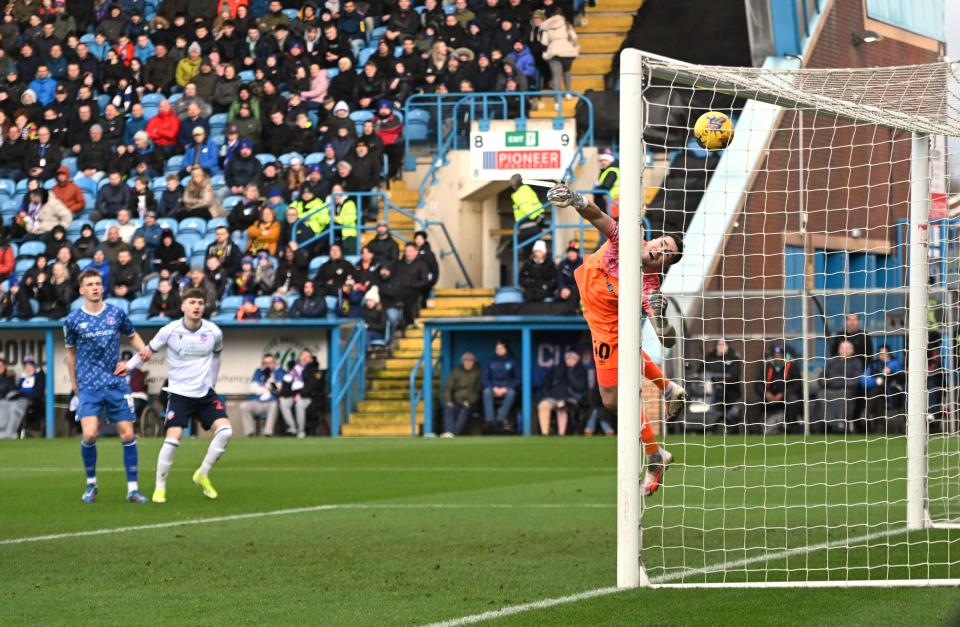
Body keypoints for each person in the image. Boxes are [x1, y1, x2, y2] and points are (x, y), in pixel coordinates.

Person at [547, 183, 686, 496]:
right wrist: (574, 199)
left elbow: (667, 341)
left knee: (612, 401)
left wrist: (661, 321)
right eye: (662, 243)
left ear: (663, 266)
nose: (661, 250)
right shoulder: (628, 240)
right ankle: (669, 391)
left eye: (667, 254)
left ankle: (655, 453)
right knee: (624, 375)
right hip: (596, 299)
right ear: (652, 239)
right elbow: (597, 215)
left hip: (607, 328)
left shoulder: (649, 287)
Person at [119, 289, 232, 503]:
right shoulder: (169, 330)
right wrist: (129, 366)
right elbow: (147, 352)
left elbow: (217, 357)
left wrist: (212, 383)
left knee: (225, 432)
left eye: (200, 302)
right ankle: (159, 488)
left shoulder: (214, 332)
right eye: (192, 302)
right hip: (179, 395)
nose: (197, 306)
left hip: (204, 394)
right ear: (183, 306)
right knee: (172, 441)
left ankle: (202, 474)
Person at [64, 269, 150, 504]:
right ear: (81, 290)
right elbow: (70, 355)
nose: (94, 287)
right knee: (90, 434)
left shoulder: (116, 313)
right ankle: (91, 484)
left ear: (102, 288)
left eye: (97, 283)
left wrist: (139, 355)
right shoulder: (72, 320)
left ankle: (133, 489)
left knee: (129, 434)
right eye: (89, 284)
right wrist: (75, 387)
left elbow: (133, 336)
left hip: (115, 383)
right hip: (89, 385)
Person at [537, 349, 588, 436]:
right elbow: (546, 383)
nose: (569, 360)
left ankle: (561, 434)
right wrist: (547, 394)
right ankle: (544, 433)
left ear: (577, 359)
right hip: (553, 397)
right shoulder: (558, 368)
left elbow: (580, 387)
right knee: (543, 405)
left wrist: (570, 372)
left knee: (562, 406)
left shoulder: (581, 371)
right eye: (568, 358)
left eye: (572, 358)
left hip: (571, 398)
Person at [756, 342, 803, 434]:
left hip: (786, 397)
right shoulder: (767, 367)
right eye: (775, 355)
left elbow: (797, 385)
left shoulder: (792, 367)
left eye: (779, 354)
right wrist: (766, 394)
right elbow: (757, 385)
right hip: (769, 399)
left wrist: (783, 394)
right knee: (752, 403)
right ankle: (755, 431)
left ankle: (792, 430)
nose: (777, 357)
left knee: (793, 400)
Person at [861, 345, 906, 434]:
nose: (883, 355)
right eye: (881, 353)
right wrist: (876, 381)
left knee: (879, 390)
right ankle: (879, 426)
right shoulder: (873, 364)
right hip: (878, 394)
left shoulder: (894, 363)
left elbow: (896, 370)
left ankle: (867, 411)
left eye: (885, 353)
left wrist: (888, 370)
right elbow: (863, 381)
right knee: (879, 397)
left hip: (893, 393)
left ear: (889, 353)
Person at [279, 349, 322, 439]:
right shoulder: (293, 369)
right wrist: (282, 395)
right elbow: (286, 383)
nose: (304, 358)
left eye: (307, 356)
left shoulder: (315, 370)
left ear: (311, 359)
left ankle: (301, 431)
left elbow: (312, 386)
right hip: (293, 396)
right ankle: (292, 427)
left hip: (309, 398)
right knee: (283, 403)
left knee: (299, 404)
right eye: (302, 355)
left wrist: (301, 395)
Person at [239, 353, 286, 437]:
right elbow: (253, 388)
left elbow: (278, 389)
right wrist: (266, 389)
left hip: (271, 402)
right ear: (263, 364)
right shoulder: (259, 372)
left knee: (274, 405)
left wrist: (270, 383)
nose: (268, 365)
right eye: (266, 363)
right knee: (244, 406)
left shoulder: (279, 372)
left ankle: (268, 433)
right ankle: (250, 432)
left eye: (270, 363)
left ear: (274, 363)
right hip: (258, 402)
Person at [823, 340, 864, 434]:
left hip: (847, 389)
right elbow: (822, 378)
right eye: (842, 348)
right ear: (838, 350)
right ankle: (828, 424)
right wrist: (830, 382)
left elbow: (856, 380)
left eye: (847, 348)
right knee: (822, 394)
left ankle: (841, 424)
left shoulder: (856, 362)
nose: (844, 350)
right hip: (830, 388)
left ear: (852, 350)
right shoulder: (830, 362)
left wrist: (841, 382)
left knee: (843, 394)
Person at [702, 339, 743, 431]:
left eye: (723, 344)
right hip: (711, 393)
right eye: (719, 344)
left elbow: (734, 375)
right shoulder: (710, 359)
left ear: (728, 346)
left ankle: (732, 429)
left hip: (730, 392)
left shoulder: (734, 358)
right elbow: (703, 372)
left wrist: (721, 380)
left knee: (732, 415)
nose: (721, 346)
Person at [481, 339, 520, 432]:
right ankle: (489, 421)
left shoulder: (513, 361)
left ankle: (499, 420)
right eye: (497, 348)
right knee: (486, 391)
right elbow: (485, 379)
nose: (499, 350)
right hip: (493, 388)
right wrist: (492, 388)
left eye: (501, 348)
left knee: (511, 393)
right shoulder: (490, 361)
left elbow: (518, 378)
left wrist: (507, 388)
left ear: (506, 349)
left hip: (507, 388)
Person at [441, 352, 482, 438]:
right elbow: (448, 387)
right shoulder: (456, 371)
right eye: (466, 361)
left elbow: (477, 391)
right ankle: (449, 431)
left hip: (470, 402)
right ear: (462, 362)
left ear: (473, 362)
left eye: (470, 361)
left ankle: (454, 433)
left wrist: (469, 401)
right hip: (456, 401)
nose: (468, 363)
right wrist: (448, 400)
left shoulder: (478, 373)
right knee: (448, 409)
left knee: (464, 411)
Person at [509, 174, 546, 257]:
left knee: (519, 251)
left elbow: (525, 207)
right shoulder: (529, 190)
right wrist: (541, 215)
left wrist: (534, 217)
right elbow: (537, 204)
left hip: (526, 226)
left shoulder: (517, 195)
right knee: (536, 252)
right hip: (536, 226)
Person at [594, 148, 619, 218]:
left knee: (613, 223)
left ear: (610, 161)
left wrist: (596, 188)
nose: (603, 162)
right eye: (601, 160)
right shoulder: (607, 170)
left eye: (605, 160)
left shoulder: (612, 171)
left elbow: (606, 186)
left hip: (614, 200)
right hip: (611, 200)